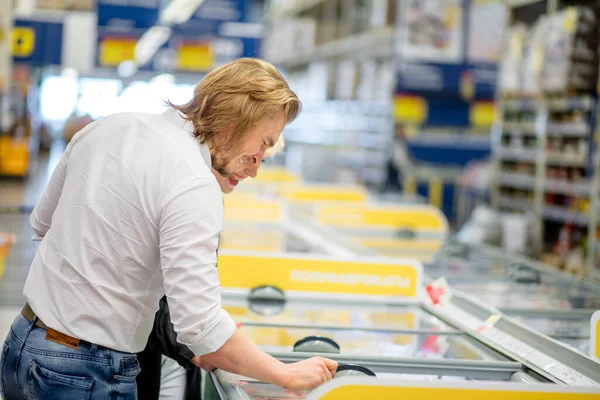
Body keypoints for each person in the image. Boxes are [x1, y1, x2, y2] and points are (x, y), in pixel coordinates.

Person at [0, 58, 337, 400]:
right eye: (263, 143)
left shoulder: (108, 127)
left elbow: (42, 223)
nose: (255, 167)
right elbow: (200, 325)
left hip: (21, 347)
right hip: (85, 371)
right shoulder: (193, 180)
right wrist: (287, 374)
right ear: (235, 120)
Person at [138, 138, 287, 400]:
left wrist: (218, 337)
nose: (252, 171)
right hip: (147, 357)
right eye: (248, 159)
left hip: (165, 357)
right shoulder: (188, 193)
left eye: (260, 161)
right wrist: (207, 345)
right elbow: (151, 298)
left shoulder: (204, 195)